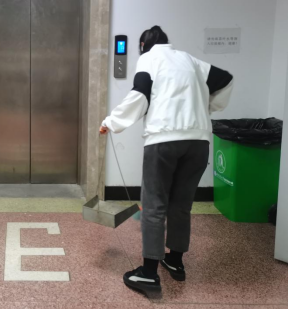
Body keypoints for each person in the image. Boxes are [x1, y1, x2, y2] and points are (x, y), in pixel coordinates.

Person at [100, 26, 233, 295]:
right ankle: (175, 261)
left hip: (163, 140)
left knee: (154, 205)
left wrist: (112, 122)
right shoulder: (191, 61)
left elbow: (140, 95)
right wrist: (206, 107)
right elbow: (226, 79)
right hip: (198, 141)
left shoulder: (149, 59)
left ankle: (149, 273)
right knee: (181, 205)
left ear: (143, 46)